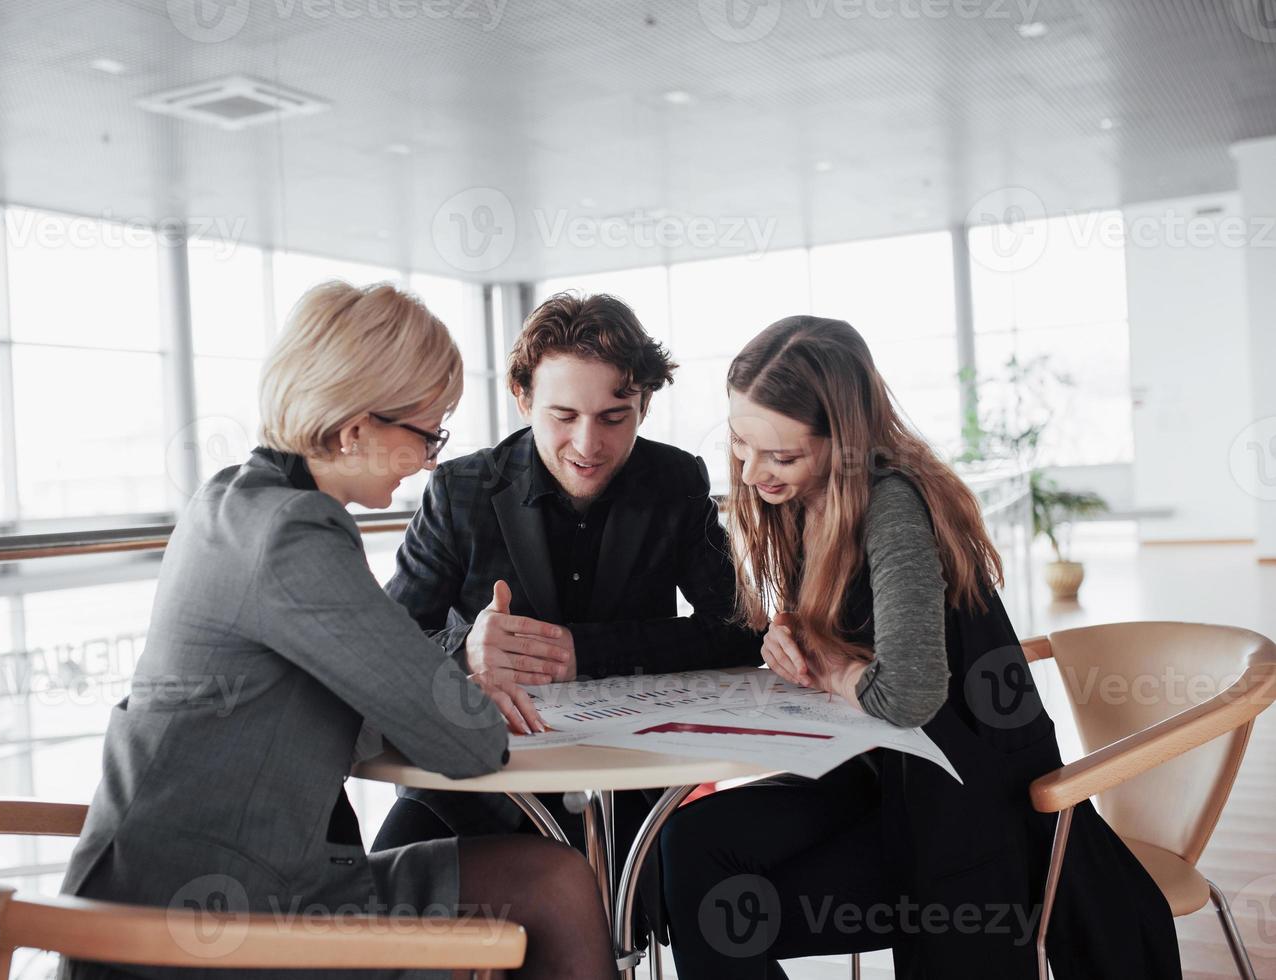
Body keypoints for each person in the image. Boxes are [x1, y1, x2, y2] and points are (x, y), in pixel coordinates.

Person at [59, 281, 614, 980]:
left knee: (543, 881)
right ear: (356, 429)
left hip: (143, 900)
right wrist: (458, 684)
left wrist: (443, 680)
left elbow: (359, 692)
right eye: (426, 433)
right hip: (217, 929)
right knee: (557, 886)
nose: (431, 460)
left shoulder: (232, 500)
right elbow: (467, 741)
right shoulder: (297, 534)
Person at [658, 315, 1180, 979]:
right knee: (691, 843)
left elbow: (905, 692)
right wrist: (788, 633)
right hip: (878, 778)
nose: (752, 470)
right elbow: (842, 628)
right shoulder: (802, 500)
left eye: (781, 455)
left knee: (716, 900)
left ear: (843, 442)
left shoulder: (893, 506)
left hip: (962, 815)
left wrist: (830, 664)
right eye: (739, 442)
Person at [373, 291, 761, 868]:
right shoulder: (459, 491)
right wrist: (465, 654)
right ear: (523, 398)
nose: (588, 445)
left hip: (628, 786)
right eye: (564, 417)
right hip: (476, 787)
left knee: (674, 887)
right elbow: (383, 651)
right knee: (380, 905)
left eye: (613, 418)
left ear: (644, 405)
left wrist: (586, 652)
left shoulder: (674, 480)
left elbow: (740, 630)